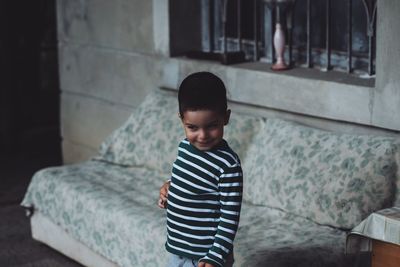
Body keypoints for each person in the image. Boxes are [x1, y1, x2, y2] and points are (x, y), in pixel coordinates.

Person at [158, 71, 243, 267]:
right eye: (193, 127)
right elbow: (190, 181)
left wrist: (215, 256)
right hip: (178, 250)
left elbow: (230, 218)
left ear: (226, 118)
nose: (203, 135)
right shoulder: (184, 147)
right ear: (182, 121)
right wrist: (169, 187)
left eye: (212, 126)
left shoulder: (228, 165)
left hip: (207, 256)